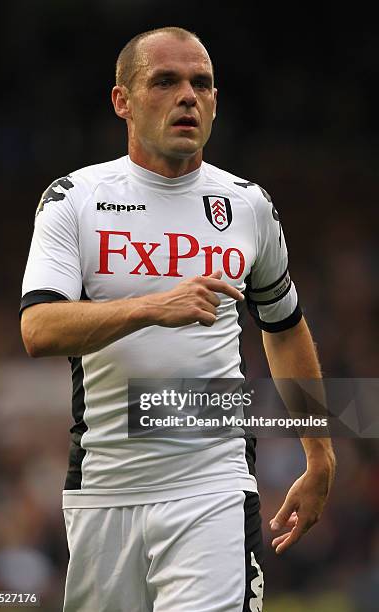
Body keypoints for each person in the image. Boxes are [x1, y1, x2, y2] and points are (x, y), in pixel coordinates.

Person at [20, 26, 336, 612]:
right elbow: (38, 329)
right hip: (103, 491)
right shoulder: (75, 199)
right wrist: (151, 307)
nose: (187, 96)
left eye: (202, 83)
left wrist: (319, 452)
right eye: (165, 81)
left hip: (212, 485)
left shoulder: (248, 205)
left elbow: (284, 325)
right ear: (123, 100)